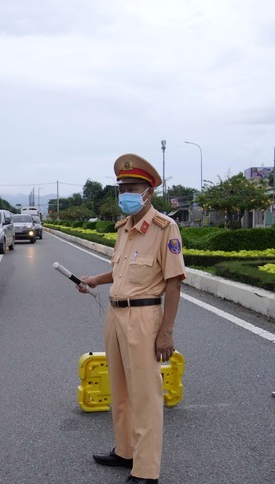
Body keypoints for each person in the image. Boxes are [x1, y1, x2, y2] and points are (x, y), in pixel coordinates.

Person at [77, 154, 186, 484]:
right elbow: (121, 271)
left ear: (148, 192)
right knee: (120, 390)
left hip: (144, 318)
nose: (125, 192)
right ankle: (125, 452)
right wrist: (96, 280)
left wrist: (166, 332)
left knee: (145, 395)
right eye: (122, 187)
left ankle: (147, 470)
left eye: (132, 187)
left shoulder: (165, 228)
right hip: (115, 314)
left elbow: (173, 281)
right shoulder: (124, 229)